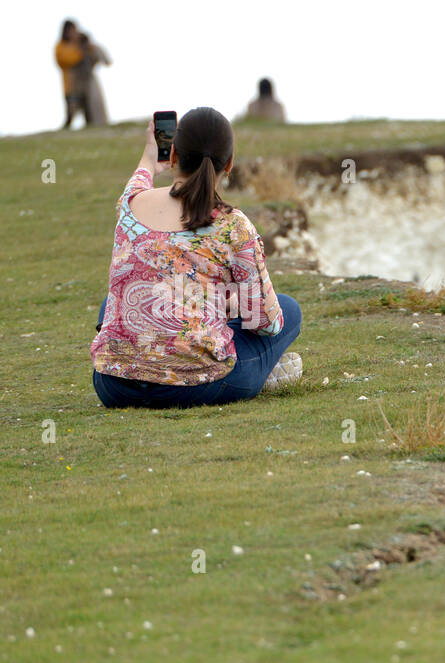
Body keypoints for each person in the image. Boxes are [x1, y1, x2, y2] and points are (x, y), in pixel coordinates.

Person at [90, 107, 303, 408]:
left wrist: (152, 156)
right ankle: (262, 369)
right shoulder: (234, 225)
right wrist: (230, 303)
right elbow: (265, 323)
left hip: (114, 385)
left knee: (116, 301)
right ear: (228, 164)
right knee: (289, 311)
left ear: (174, 153)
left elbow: (138, 182)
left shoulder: (131, 205)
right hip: (195, 386)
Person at [74, 32, 112, 126]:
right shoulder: (75, 51)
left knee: (95, 105)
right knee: (83, 107)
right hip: (78, 82)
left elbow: (107, 61)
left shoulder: (93, 48)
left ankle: (100, 124)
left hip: (90, 80)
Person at [55, 20, 84, 129]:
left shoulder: (80, 43)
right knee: (71, 112)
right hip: (70, 85)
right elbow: (65, 60)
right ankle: (66, 130)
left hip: (83, 84)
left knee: (88, 111)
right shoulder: (60, 46)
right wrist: (78, 51)